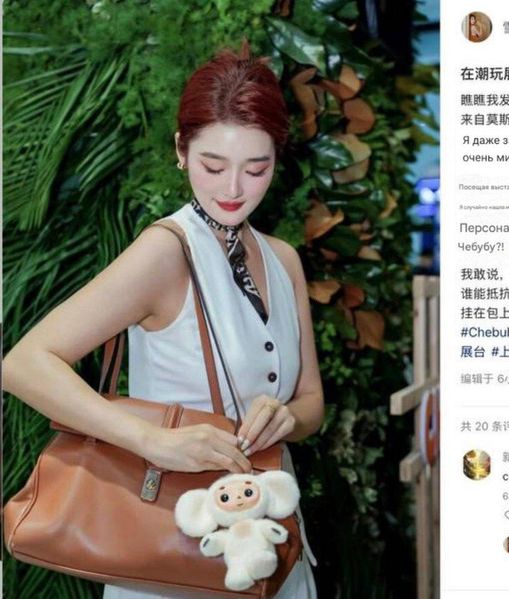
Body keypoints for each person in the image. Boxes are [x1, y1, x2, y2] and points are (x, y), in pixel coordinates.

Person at [2, 42, 323, 599]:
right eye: (213, 166)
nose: (232, 189)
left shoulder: (282, 260)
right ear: (181, 150)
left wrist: (287, 418)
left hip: (272, 544)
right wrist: (151, 440)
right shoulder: (165, 252)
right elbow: (23, 364)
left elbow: (312, 402)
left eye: (256, 168)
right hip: (175, 550)